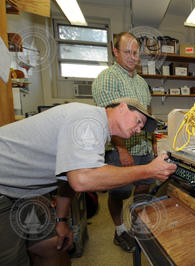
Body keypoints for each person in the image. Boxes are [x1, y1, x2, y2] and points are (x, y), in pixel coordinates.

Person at [0, 97, 177, 266]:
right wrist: (148, 169)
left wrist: (61, 220)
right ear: (122, 107)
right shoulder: (89, 120)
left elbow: (68, 180)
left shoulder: (98, 131)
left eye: (142, 127)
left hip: (27, 191)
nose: (139, 130)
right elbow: (82, 179)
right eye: (138, 121)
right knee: (12, 260)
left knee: (48, 247)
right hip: (3, 186)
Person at [92, 32, 156, 252]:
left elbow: (147, 115)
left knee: (144, 186)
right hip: (122, 149)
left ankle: (137, 223)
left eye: (136, 52)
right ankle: (120, 230)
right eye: (127, 52)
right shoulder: (107, 78)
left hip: (143, 145)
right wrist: (121, 149)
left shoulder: (141, 82)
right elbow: (108, 118)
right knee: (119, 192)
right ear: (115, 51)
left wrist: (152, 143)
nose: (132, 57)